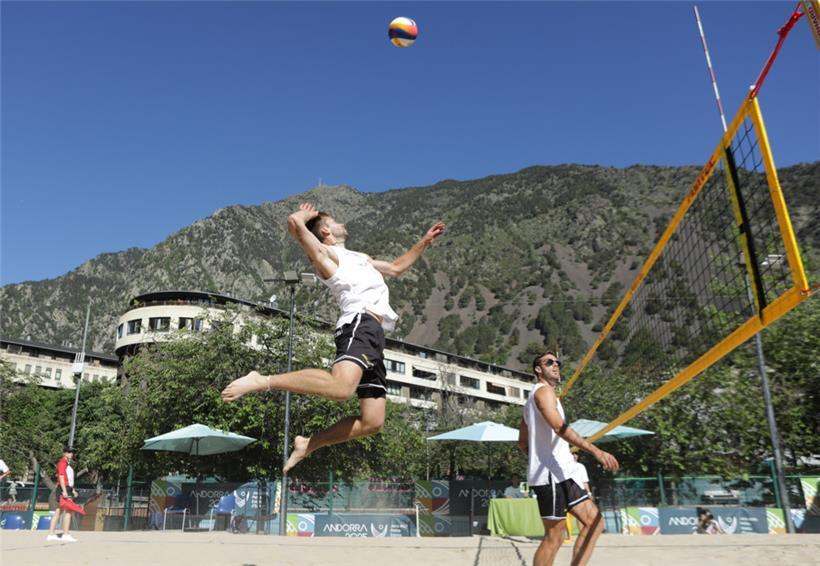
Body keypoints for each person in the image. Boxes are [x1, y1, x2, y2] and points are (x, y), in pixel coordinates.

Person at [222, 203, 445, 472]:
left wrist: (424, 241)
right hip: (358, 324)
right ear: (326, 230)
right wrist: (304, 217)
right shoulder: (327, 255)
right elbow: (296, 226)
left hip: (375, 336)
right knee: (341, 388)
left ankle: (309, 444)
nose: (343, 224)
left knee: (373, 421)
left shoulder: (359, 257)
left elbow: (397, 268)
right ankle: (263, 380)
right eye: (336, 221)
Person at [518, 351, 619, 566]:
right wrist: (596, 451)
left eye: (557, 362)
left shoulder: (532, 403)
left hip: (562, 473)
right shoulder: (543, 392)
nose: (556, 365)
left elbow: (522, 443)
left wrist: (541, 455)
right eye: (549, 362)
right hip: (550, 477)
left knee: (595, 523)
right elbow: (558, 427)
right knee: (554, 537)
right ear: (538, 369)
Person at [47, 446, 79, 543]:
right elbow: (61, 477)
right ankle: (65, 534)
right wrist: (64, 491)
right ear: (64, 453)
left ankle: (51, 534)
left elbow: (69, 479)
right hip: (63, 488)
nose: (71, 453)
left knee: (59, 511)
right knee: (68, 511)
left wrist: (73, 490)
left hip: (66, 488)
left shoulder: (67, 464)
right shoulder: (62, 463)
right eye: (69, 452)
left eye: (72, 452)